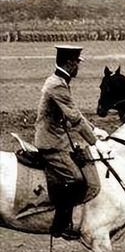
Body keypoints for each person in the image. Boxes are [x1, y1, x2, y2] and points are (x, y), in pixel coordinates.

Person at [35, 45, 108, 237]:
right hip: (51, 142)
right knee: (74, 178)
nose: (78, 66)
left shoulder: (59, 81)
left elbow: (73, 114)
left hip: (58, 139)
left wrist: (94, 129)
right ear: (69, 63)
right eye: (77, 63)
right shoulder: (57, 85)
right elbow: (74, 118)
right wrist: (94, 142)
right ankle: (61, 225)